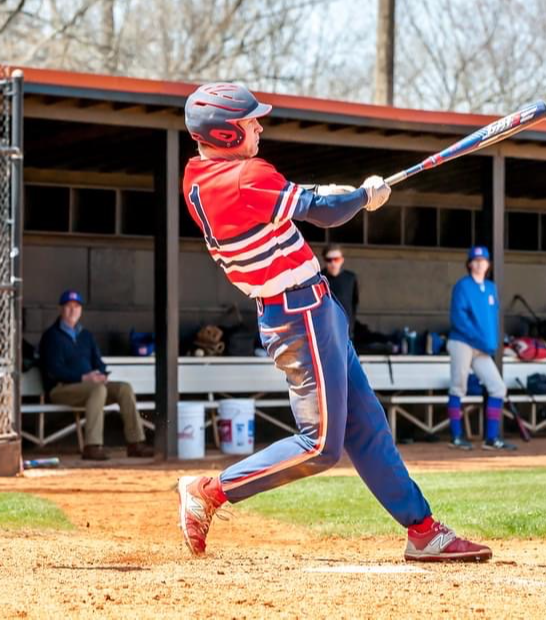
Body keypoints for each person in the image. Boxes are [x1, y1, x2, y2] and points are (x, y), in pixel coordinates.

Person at [175, 83, 491, 563]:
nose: (258, 126)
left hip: (311, 309)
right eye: (249, 122)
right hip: (298, 315)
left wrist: (338, 195)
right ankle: (211, 491)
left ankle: (423, 530)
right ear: (224, 132)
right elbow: (323, 213)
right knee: (321, 444)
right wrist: (364, 196)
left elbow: (302, 203)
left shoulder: (199, 174)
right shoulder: (242, 176)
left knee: (366, 427)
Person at [38, 290, 154, 461]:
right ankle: (92, 446)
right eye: (69, 306)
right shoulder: (51, 336)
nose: (73, 310)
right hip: (61, 389)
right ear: (60, 309)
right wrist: (84, 378)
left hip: (92, 387)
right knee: (98, 390)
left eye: (76, 307)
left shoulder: (86, 335)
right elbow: (54, 370)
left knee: (124, 388)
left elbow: (98, 362)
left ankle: (136, 443)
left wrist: (101, 374)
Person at [446, 246, 515, 452]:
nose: (479, 263)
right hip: (463, 342)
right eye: (475, 260)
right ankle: (456, 436)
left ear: (488, 264)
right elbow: (459, 319)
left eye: (483, 260)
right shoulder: (462, 286)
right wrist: (480, 339)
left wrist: (494, 342)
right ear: (469, 264)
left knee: (498, 387)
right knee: (458, 387)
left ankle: (491, 438)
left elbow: (492, 321)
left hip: (483, 347)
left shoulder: (491, 287)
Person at [321, 244, 359, 339]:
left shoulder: (350, 278)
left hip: (346, 330)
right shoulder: (319, 279)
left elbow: (354, 303)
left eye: (336, 259)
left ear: (342, 260)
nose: (333, 263)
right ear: (324, 261)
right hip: (324, 330)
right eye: (329, 260)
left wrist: (351, 325)